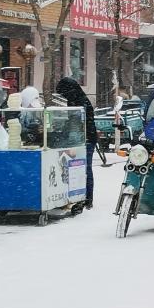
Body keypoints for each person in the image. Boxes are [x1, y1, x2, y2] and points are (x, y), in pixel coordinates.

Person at [56, 77, 97, 210]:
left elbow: (76, 122)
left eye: (64, 93)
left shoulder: (80, 102)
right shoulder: (75, 99)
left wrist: (64, 131)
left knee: (85, 169)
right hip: (79, 139)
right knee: (76, 169)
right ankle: (78, 196)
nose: (64, 96)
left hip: (86, 140)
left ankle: (87, 198)